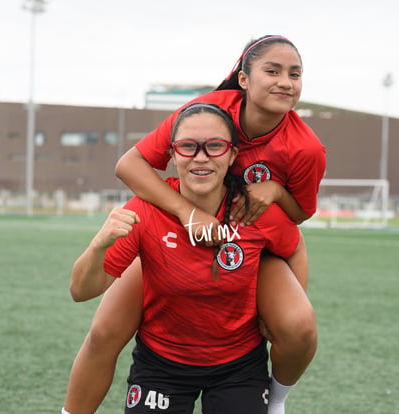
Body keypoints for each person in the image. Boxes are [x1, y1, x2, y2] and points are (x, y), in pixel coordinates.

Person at [64, 35, 323, 414]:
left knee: (299, 324)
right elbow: (128, 165)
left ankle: (275, 402)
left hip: (245, 233)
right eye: (272, 70)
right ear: (244, 79)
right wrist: (189, 214)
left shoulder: (305, 147)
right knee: (104, 331)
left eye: (294, 73)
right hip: (171, 226)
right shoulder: (205, 112)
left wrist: (274, 192)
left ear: (232, 151)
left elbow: (298, 217)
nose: (285, 81)